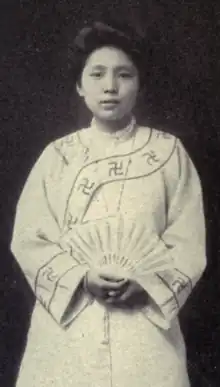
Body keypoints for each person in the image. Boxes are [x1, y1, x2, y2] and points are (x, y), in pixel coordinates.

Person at [11, 21, 206, 387]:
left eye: (124, 75)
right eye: (97, 74)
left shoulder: (168, 153)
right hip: (69, 324)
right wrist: (81, 278)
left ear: (139, 85)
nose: (110, 86)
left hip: (145, 322)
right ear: (80, 86)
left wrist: (147, 282)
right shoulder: (58, 157)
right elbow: (30, 239)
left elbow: (188, 241)